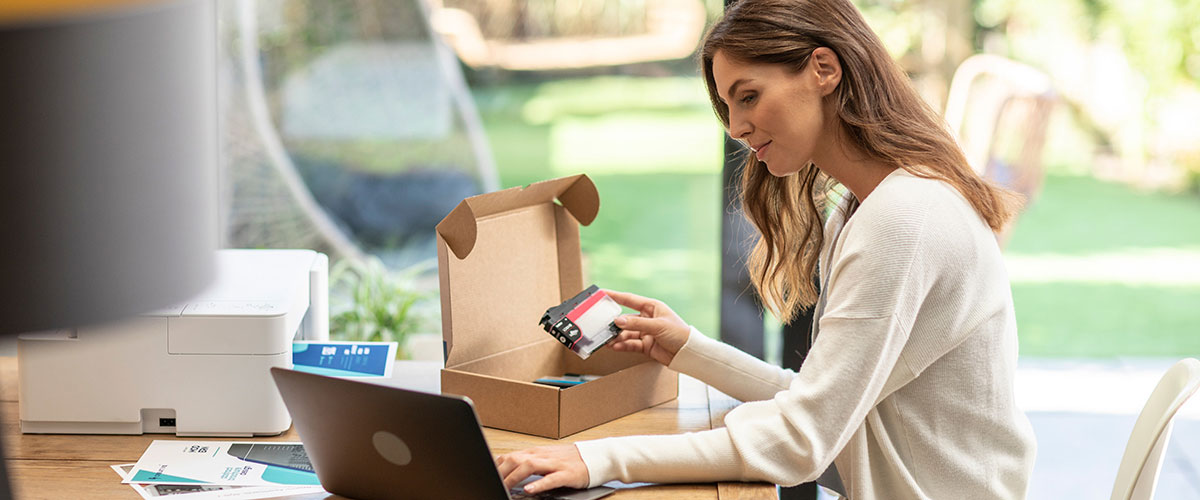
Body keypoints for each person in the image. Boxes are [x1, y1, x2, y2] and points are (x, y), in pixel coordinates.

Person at [494, 0, 1037, 497]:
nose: (736, 127)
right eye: (729, 107)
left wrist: (599, 459)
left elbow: (800, 441)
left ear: (824, 69)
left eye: (748, 96)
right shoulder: (860, 208)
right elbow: (820, 405)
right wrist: (688, 348)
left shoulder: (903, 218)